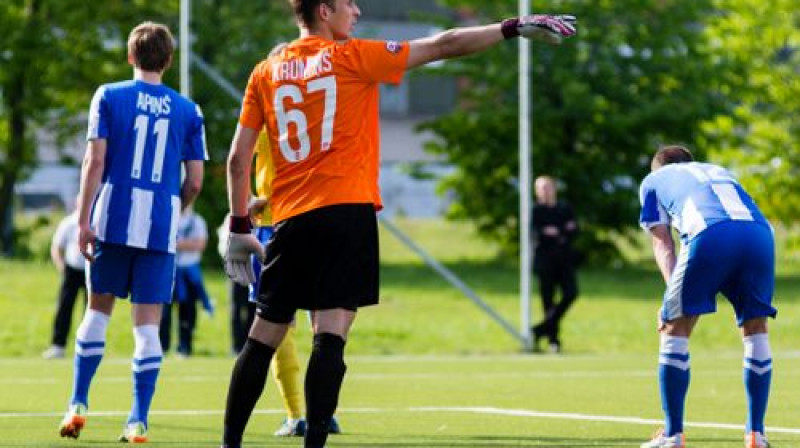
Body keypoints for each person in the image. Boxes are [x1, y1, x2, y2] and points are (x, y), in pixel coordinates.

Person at [219, 2, 576, 447]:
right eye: (348, 3)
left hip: (290, 219)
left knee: (263, 336)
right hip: (347, 213)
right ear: (325, 10)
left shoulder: (265, 72)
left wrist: (237, 228)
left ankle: (229, 442)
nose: (358, 10)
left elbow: (237, 160)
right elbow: (444, 44)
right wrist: (511, 27)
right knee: (328, 337)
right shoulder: (353, 56)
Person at [57, 21, 206, 443]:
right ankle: (138, 419)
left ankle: (77, 403)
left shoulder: (108, 95)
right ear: (169, 60)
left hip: (113, 219)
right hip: (158, 229)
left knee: (96, 313)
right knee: (147, 327)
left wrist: (83, 220)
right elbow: (194, 180)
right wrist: (174, 210)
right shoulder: (188, 110)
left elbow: (95, 161)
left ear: (130, 57)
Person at [638, 146, 775, 448]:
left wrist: (670, 301)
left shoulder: (653, 180)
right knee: (756, 330)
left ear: (657, 168)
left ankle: (672, 434)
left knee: (673, 327)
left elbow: (663, 243)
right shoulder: (719, 171)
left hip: (710, 233)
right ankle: (756, 433)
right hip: (760, 234)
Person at [529, 175, 579, 353]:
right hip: (545, 261)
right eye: (541, 188)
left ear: (554, 189)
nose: (545, 191)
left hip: (564, 260)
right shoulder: (535, 211)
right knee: (548, 301)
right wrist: (548, 231)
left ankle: (540, 329)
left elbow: (573, 229)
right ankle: (553, 339)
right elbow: (535, 232)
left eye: (548, 187)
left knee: (571, 293)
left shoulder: (564, 208)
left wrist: (558, 232)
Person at [159, 206, 214, 357]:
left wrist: (178, 244)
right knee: (164, 312)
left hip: (189, 273)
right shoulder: (169, 216)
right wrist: (188, 243)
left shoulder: (197, 221)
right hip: (169, 271)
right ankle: (162, 346)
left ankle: (185, 347)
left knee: (188, 311)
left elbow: (200, 244)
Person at [42, 208, 87, 359]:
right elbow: (56, 247)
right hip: (71, 270)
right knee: (64, 308)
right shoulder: (69, 223)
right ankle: (58, 345)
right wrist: (62, 267)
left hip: (91, 271)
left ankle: (86, 345)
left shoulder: (96, 220)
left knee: (90, 311)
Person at [218, 215, 257, 356]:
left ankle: (248, 345)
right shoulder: (230, 217)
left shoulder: (257, 214)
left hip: (254, 268)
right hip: (236, 267)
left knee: (253, 308)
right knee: (236, 309)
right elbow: (223, 243)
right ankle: (236, 346)